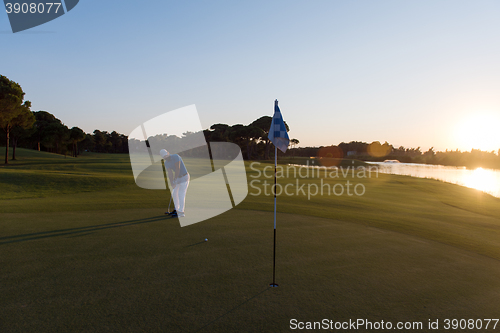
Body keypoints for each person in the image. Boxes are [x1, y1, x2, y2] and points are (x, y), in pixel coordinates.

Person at [160, 149, 189, 217]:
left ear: (168, 152)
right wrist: (172, 183)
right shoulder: (166, 163)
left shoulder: (176, 156)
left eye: (166, 155)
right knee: (174, 193)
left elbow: (177, 168)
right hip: (178, 178)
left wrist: (175, 179)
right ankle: (176, 209)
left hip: (184, 177)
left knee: (181, 194)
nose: (166, 157)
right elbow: (170, 173)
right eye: (164, 157)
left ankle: (181, 212)